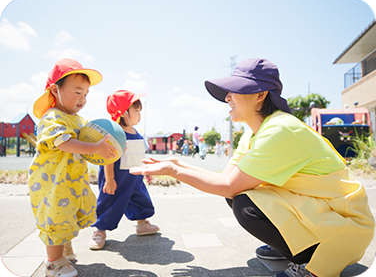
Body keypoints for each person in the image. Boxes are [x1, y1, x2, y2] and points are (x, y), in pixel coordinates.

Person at [130, 58, 375, 277]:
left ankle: (310, 260)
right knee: (240, 197)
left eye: (234, 91)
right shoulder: (254, 133)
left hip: (345, 226)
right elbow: (226, 179)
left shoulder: (281, 129)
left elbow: (228, 186)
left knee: (245, 204)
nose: (227, 97)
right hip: (319, 209)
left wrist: (174, 171)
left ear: (260, 95)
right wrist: (177, 163)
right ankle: (293, 246)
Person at [28, 58, 118, 277]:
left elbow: (88, 147)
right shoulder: (51, 118)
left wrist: (100, 150)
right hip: (53, 183)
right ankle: (54, 261)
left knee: (69, 213)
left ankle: (63, 246)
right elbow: (64, 142)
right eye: (77, 92)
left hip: (72, 180)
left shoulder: (79, 120)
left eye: (86, 94)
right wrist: (93, 148)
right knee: (56, 217)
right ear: (55, 90)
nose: (82, 98)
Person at [89, 89, 159, 250]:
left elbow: (140, 154)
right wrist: (109, 178)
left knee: (141, 199)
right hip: (115, 176)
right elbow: (108, 157)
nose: (140, 114)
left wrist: (146, 170)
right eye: (136, 111)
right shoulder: (114, 133)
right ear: (123, 113)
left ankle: (142, 224)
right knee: (109, 201)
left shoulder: (138, 134)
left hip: (134, 176)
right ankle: (99, 231)